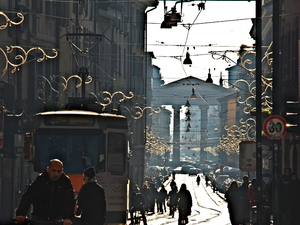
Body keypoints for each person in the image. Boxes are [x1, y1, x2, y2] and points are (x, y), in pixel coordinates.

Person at [15, 159, 74, 225]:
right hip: (38, 217)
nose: (56, 174)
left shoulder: (65, 182)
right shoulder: (41, 179)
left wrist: (68, 218)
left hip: (57, 219)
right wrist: (21, 214)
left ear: (62, 171)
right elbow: (28, 196)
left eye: (59, 171)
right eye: (53, 171)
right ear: (48, 169)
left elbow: (70, 201)